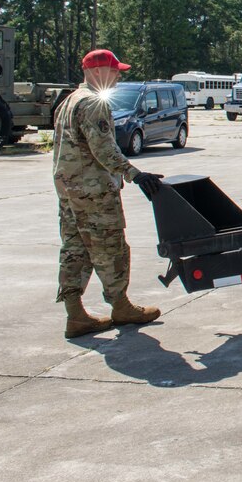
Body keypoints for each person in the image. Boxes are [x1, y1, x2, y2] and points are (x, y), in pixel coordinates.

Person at [53, 49, 164, 339]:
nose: (118, 76)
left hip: (69, 190)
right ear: (99, 71)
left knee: (74, 249)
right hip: (93, 192)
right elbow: (103, 148)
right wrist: (135, 174)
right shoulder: (93, 103)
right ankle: (120, 306)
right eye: (115, 71)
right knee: (110, 247)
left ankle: (75, 314)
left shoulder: (69, 101)